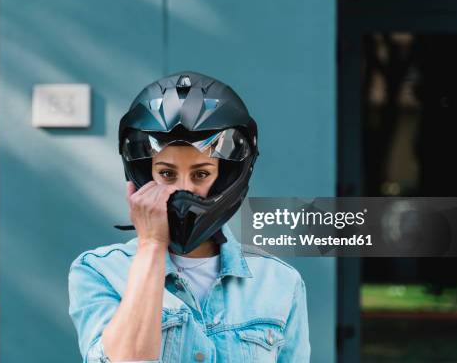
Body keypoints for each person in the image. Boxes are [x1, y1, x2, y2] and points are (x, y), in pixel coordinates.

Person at [68, 71, 310, 362]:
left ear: (227, 177)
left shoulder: (279, 281)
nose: (183, 190)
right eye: (167, 174)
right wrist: (151, 246)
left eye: (201, 174)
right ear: (144, 176)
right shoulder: (100, 272)